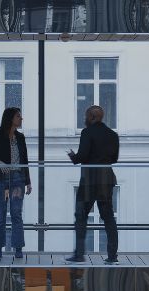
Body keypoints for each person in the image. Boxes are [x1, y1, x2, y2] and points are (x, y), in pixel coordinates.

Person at [65, 105, 119, 265]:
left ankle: (79, 254)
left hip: (89, 180)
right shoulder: (113, 135)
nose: (84, 119)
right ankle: (112, 255)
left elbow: (82, 155)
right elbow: (114, 158)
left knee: (81, 215)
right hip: (106, 179)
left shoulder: (87, 132)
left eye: (86, 116)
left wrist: (73, 157)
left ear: (92, 117)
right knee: (108, 217)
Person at [0, 107, 31, 260]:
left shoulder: (20, 137)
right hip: (0, 179)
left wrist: (28, 182)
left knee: (16, 214)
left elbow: (25, 161)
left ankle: (18, 248)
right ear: (10, 118)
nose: (21, 119)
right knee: (0, 214)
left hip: (18, 178)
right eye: (18, 116)